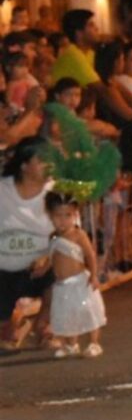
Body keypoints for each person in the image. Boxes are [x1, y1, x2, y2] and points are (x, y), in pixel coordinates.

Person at [0, 137, 56, 350]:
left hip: (41, 270)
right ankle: (15, 323)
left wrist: (50, 257)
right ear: (24, 165)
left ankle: (44, 326)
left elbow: (71, 233)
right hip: (3, 270)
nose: (49, 165)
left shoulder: (56, 192)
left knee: (69, 268)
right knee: (5, 334)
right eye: (42, 160)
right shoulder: (2, 191)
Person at [44, 191, 106, 358]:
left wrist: (93, 275)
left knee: (88, 311)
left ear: (75, 215)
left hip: (80, 282)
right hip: (62, 285)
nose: (63, 220)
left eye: (68, 215)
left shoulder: (78, 235)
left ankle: (94, 343)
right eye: (58, 216)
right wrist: (42, 269)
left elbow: (90, 255)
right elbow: (51, 259)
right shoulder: (53, 237)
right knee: (67, 314)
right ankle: (72, 344)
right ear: (51, 216)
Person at [50, 9, 101, 87]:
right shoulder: (72, 54)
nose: (97, 28)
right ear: (79, 33)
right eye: (91, 25)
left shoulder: (90, 53)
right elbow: (100, 88)